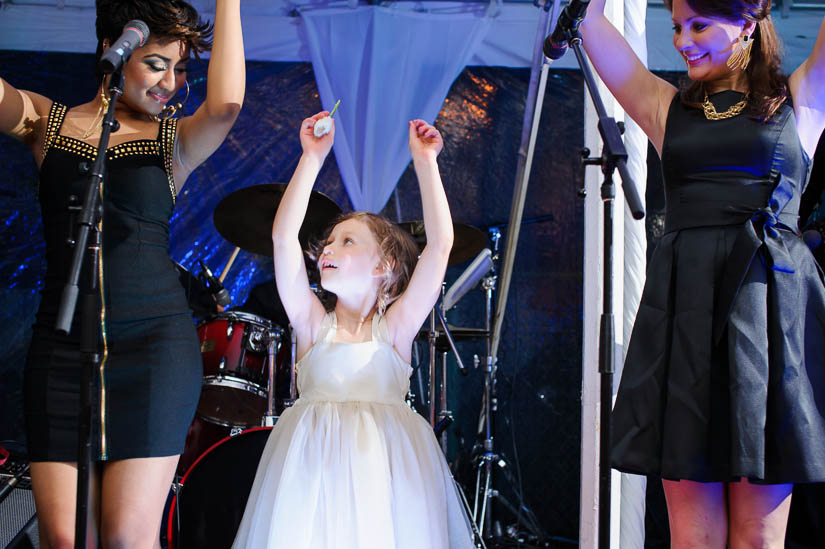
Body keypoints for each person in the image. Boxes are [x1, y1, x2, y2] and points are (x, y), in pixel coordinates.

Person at [580, 0, 825, 546]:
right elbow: (592, 24)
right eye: (675, 27)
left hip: (766, 321)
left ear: (745, 23)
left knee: (759, 539)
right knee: (694, 540)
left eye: (698, 25)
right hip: (686, 317)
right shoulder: (668, 108)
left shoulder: (801, 100)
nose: (683, 40)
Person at [0, 0, 245, 546]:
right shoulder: (47, 123)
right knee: (66, 540)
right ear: (115, 49)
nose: (172, 84)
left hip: (155, 348)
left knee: (127, 538)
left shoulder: (172, 142)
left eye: (181, 70)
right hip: (61, 346)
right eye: (158, 63)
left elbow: (226, 104)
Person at [231, 112, 475, 549]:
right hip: (312, 480)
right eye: (328, 243)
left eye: (347, 241)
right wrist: (311, 158)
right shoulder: (311, 324)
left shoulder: (395, 330)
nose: (329, 248)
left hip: (384, 479)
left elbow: (439, 246)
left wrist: (426, 162)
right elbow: (284, 238)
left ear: (383, 266)